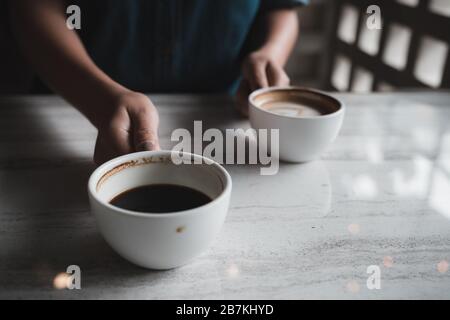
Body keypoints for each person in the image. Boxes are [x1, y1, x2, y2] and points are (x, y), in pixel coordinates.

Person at [9, 0, 307, 164]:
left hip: (223, 118)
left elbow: (279, 6)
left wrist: (270, 53)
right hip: (70, 110)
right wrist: (98, 99)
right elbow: (33, 6)